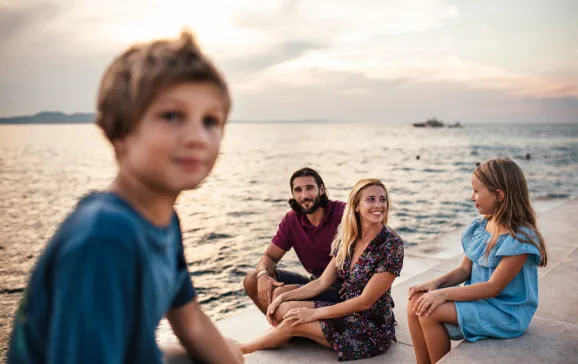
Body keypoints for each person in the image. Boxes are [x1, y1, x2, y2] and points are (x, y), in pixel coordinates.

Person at [7, 30, 243, 364]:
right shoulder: (105, 235)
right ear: (120, 132)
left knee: (223, 353)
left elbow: (190, 322)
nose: (198, 137)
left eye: (211, 121)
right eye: (172, 116)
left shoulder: (164, 221)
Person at [238, 178, 405, 362]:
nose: (378, 205)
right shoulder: (348, 236)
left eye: (382, 199)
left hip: (371, 327)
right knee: (285, 308)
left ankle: (240, 349)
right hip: (345, 309)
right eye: (371, 199)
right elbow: (322, 282)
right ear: (356, 206)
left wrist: (313, 313)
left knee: (294, 321)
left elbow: (365, 302)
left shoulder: (391, 245)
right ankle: (299, 333)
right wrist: (282, 297)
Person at [407, 157, 548, 364]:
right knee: (415, 302)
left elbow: (493, 287)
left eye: (476, 191)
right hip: (479, 301)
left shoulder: (519, 239)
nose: (471, 197)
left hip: (505, 312)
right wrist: (435, 284)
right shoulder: (481, 227)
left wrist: (443, 294)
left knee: (430, 311)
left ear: (499, 195)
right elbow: (464, 270)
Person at [243, 168, 346, 313]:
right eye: (298, 190)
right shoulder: (292, 220)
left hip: (343, 289)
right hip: (316, 282)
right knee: (252, 280)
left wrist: (361, 279)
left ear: (321, 190)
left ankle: (289, 329)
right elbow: (270, 257)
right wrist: (263, 275)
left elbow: (378, 240)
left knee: (281, 294)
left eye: (309, 188)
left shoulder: (344, 213)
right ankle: (284, 329)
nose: (304, 196)